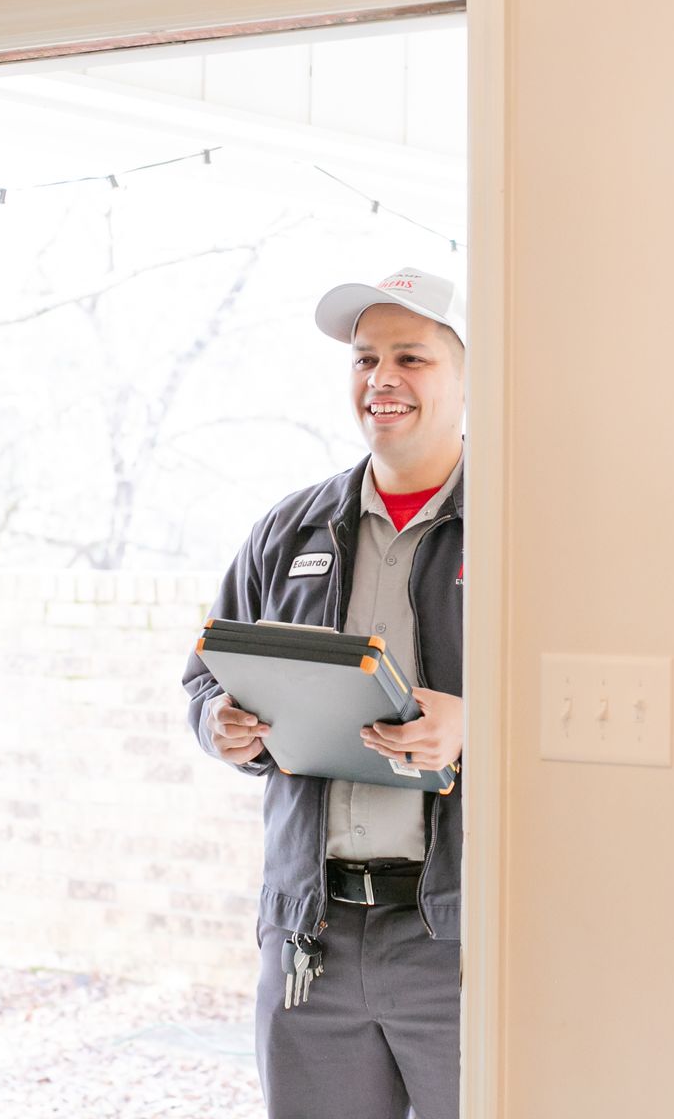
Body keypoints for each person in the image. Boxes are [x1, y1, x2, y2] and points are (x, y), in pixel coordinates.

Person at [184, 267, 468, 1119]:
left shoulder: (521, 525)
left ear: (466, 377)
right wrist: (218, 724)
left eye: (410, 358)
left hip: (456, 941)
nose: (381, 379)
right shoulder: (290, 527)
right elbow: (204, 671)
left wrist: (476, 724)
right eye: (364, 359)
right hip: (311, 933)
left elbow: (580, 710)